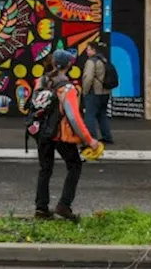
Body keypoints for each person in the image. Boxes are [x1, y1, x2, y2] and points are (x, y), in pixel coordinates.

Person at [32, 49, 98, 222]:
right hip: (60, 135)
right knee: (74, 165)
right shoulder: (67, 88)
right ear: (69, 65)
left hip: (42, 133)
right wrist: (89, 140)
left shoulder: (41, 81)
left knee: (45, 169)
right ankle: (64, 205)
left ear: (53, 63)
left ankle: (41, 208)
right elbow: (73, 117)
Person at [80, 43, 115, 144]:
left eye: (88, 49)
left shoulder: (91, 62)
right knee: (102, 115)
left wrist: (85, 91)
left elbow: (88, 78)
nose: (86, 51)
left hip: (94, 92)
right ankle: (107, 137)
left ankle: (91, 139)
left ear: (94, 50)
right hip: (105, 92)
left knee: (90, 115)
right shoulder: (104, 60)